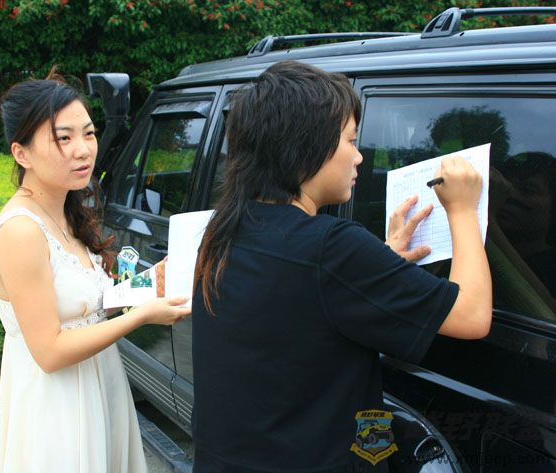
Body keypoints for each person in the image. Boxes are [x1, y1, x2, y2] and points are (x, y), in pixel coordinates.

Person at [191, 61, 492, 473]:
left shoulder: (225, 229)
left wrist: (381, 258)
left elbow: (300, 308)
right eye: (350, 140)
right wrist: (462, 209)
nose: (360, 156)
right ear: (306, 146)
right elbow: (472, 316)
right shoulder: (331, 248)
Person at [0, 70, 191, 473]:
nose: (82, 150)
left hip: (101, 385)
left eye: (89, 133)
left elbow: (87, 307)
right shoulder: (21, 232)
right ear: (21, 153)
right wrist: (141, 317)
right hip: (57, 407)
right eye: (63, 138)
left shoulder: (67, 210)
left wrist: (147, 284)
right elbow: (50, 352)